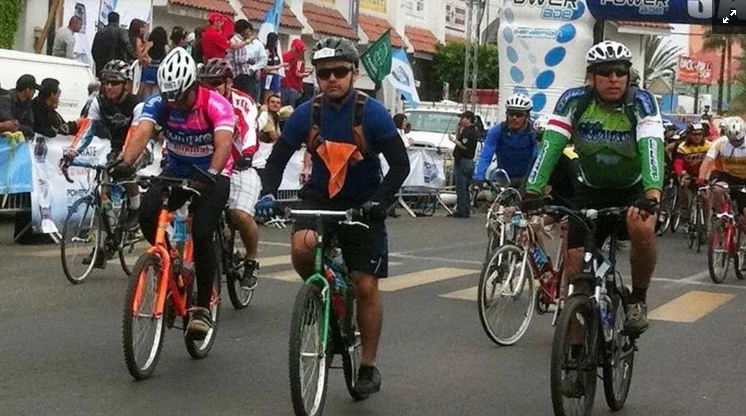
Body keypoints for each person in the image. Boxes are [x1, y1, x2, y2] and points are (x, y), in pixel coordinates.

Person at [256, 37, 410, 397]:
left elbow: (400, 165)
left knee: (366, 284)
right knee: (301, 248)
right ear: (316, 77)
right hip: (320, 196)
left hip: (363, 201)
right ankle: (321, 292)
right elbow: (277, 158)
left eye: (340, 72)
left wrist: (379, 202)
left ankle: (368, 365)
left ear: (354, 73)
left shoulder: (371, 113)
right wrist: (267, 192)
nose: (332, 79)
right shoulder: (306, 113)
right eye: (324, 74)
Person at [525, 41, 664, 339]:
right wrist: (533, 190)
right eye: (605, 72)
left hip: (632, 189)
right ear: (591, 77)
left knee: (641, 227)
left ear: (628, 75)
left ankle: (638, 299)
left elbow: (651, 145)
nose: (613, 78)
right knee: (577, 275)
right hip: (589, 189)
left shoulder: (641, 102)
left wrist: (652, 192)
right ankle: (574, 357)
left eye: (620, 72)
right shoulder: (574, 100)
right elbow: (550, 146)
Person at [110, 48, 233, 340]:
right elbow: (142, 133)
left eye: (180, 97)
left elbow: (224, 144)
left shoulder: (216, 104)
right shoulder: (161, 101)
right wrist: (125, 163)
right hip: (176, 168)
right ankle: (170, 263)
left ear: (193, 86)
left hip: (211, 173)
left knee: (202, 233)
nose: (175, 104)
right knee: (148, 212)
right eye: (170, 98)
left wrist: (213, 174)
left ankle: (202, 306)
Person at [198, 58, 262, 291]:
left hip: (241, 166)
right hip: (211, 167)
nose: (210, 89)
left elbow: (249, 130)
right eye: (205, 84)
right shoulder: (199, 101)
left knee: (239, 214)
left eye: (216, 83)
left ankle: (252, 259)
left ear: (228, 83)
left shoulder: (243, 102)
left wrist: (247, 153)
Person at [63, 60, 144, 238]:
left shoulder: (136, 104)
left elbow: (134, 134)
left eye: (114, 83)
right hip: (116, 147)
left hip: (138, 145)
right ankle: (106, 237)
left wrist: (125, 157)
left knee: (125, 169)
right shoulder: (98, 102)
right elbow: (87, 130)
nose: (108, 87)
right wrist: (71, 153)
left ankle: (135, 208)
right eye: (106, 82)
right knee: (102, 191)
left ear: (126, 85)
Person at [474, 93, 538, 189]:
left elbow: (537, 156)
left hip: (527, 178)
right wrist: (479, 177)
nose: (514, 118)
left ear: (527, 116)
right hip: (504, 178)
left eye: (519, 115)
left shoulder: (534, 132)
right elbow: (486, 156)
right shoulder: (497, 131)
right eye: (511, 114)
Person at [698, 117, 746, 220]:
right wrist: (701, 177)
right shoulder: (720, 142)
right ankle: (720, 215)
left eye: (739, 141)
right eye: (732, 141)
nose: (735, 143)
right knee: (717, 189)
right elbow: (707, 161)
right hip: (728, 175)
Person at [227, 20, 266, 102]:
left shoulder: (240, 41)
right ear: (243, 30)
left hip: (244, 74)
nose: (249, 34)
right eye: (248, 31)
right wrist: (249, 61)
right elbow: (238, 59)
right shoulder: (238, 41)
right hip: (240, 74)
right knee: (243, 97)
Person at [448, 111, 478, 218]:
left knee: (461, 187)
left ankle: (462, 210)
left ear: (468, 119)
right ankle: (465, 209)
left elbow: (465, 146)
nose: (461, 120)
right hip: (468, 161)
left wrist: (454, 141)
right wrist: (457, 129)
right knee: (465, 187)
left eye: (463, 118)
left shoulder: (469, 131)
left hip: (464, 160)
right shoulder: (468, 130)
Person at [91, 12, 133, 79]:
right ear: (118, 20)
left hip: (102, 69)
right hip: (116, 69)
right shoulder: (121, 32)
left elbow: (94, 51)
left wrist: (99, 63)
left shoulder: (99, 33)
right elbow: (127, 45)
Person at [255, 93, 283, 184]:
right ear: (267, 104)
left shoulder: (276, 116)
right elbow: (274, 136)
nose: (275, 104)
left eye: (278, 103)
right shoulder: (265, 116)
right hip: (259, 158)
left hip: (266, 157)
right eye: (273, 102)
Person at [0, 74, 38, 139]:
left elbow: (30, 124)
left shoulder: (27, 103)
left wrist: (21, 127)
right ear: (27, 90)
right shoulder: (5, 99)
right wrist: (23, 128)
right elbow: (10, 124)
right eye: (34, 90)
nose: (34, 92)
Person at [281, 39, 311, 107]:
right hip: (294, 86)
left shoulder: (285, 55)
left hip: (283, 84)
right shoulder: (299, 59)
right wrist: (306, 74)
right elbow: (298, 74)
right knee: (290, 109)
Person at [141, 26, 169, 97]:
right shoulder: (165, 47)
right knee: (156, 91)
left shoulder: (149, 45)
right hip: (158, 72)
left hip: (148, 70)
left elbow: (143, 57)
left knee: (147, 90)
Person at [262, 32, 283, 103]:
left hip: (276, 76)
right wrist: (277, 66)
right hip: (270, 76)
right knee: (268, 95)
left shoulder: (276, 52)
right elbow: (264, 67)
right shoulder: (267, 51)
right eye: (276, 40)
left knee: (277, 95)